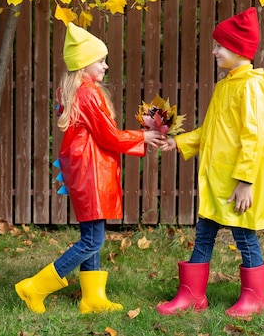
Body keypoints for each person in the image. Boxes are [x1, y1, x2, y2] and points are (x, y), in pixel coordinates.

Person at [15, 22, 164, 314]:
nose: (106, 66)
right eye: (101, 60)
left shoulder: (78, 90)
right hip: (92, 173)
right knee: (93, 240)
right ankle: (35, 287)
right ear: (84, 64)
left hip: (85, 171)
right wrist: (143, 135)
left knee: (92, 236)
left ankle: (92, 298)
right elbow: (108, 136)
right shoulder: (88, 93)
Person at [157, 7, 264, 318]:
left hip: (236, 184)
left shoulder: (251, 87)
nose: (214, 51)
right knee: (204, 232)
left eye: (220, 46)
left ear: (238, 48)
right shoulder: (227, 85)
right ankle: (192, 294)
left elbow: (256, 137)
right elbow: (210, 131)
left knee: (244, 236)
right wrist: (177, 142)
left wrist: (246, 181)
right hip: (218, 180)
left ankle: (255, 297)